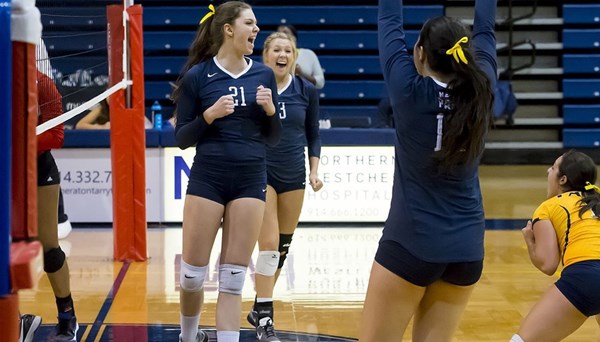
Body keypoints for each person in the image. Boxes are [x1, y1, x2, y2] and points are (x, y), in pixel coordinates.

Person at [360, 0, 497, 341]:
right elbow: (487, 30)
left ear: (419, 53)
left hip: (411, 242)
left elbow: (389, 21)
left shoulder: (408, 91)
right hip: (466, 249)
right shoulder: (483, 91)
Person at [172, 2, 281, 342]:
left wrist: (271, 110)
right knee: (192, 276)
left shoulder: (263, 75)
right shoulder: (198, 76)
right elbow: (181, 139)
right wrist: (209, 115)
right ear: (228, 29)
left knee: (233, 279)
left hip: (250, 179)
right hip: (209, 179)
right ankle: (188, 336)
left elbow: (274, 138)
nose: (257, 29)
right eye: (250, 23)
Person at [245, 32, 323, 341]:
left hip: (294, 176)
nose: (283, 54)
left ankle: (257, 307)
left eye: (288, 50)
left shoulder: (306, 90)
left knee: (281, 247)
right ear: (265, 57)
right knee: (268, 244)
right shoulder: (254, 89)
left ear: (294, 56)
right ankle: (266, 320)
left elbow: (314, 135)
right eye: (276, 49)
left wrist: (314, 171)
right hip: (261, 173)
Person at [511, 150, 600, 342]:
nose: (547, 171)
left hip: (587, 276)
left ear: (562, 179)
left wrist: (530, 240)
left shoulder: (549, 206)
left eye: (552, 168)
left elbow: (548, 264)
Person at [20, 70, 79, 342]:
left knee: (49, 248)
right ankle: (17, 320)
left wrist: (16, 144)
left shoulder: (41, 82)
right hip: (6, 167)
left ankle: (67, 318)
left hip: (38, 166)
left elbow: (56, 136)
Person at [276, 24, 325, 90]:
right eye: (279, 34)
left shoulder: (308, 54)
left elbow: (320, 82)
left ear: (294, 38)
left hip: (305, 98)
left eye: (285, 32)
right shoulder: (272, 56)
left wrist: (301, 74)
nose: (282, 36)